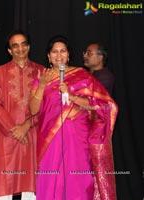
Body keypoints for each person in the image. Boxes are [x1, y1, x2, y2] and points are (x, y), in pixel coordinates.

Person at [30, 35, 118, 200]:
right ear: (48, 56)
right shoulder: (41, 78)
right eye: (54, 52)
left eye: (62, 51)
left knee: (77, 180)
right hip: (51, 138)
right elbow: (33, 109)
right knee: (51, 181)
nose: (59, 55)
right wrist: (42, 85)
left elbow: (100, 106)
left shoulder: (82, 76)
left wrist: (72, 97)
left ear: (68, 54)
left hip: (78, 137)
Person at [0, 30, 44, 200]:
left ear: (29, 46)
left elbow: (46, 106)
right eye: (15, 45)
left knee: (31, 188)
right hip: (6, 135)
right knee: (3, 186)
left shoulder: (41, 71)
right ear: (9, 51)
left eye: (23, 44)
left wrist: (26, 126)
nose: (20, 48)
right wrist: (14, 129)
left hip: (32, 134)